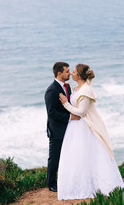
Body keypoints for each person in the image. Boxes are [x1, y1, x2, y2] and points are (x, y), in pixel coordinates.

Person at [57, 63, 124, 200]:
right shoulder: (76, 88)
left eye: (74, 72)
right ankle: (80, 185)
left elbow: (81, 112)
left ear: (80, 75)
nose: (71, 74)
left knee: (91, 155)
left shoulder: (86, 91)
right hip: (75, 127)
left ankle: (97, 186)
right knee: (78, 157)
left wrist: (65, 103)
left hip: (85, 127)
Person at [44, 61, 80, 192]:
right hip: (57, 130)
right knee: (55, 157)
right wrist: (71, 117)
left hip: (69, 128)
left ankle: (66, 179)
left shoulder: (67, 87)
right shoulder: (51, 90)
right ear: (59, 73)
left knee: (69, 155)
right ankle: (51, 183)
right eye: (67, 71)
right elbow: (51, 113)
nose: (69, 73)